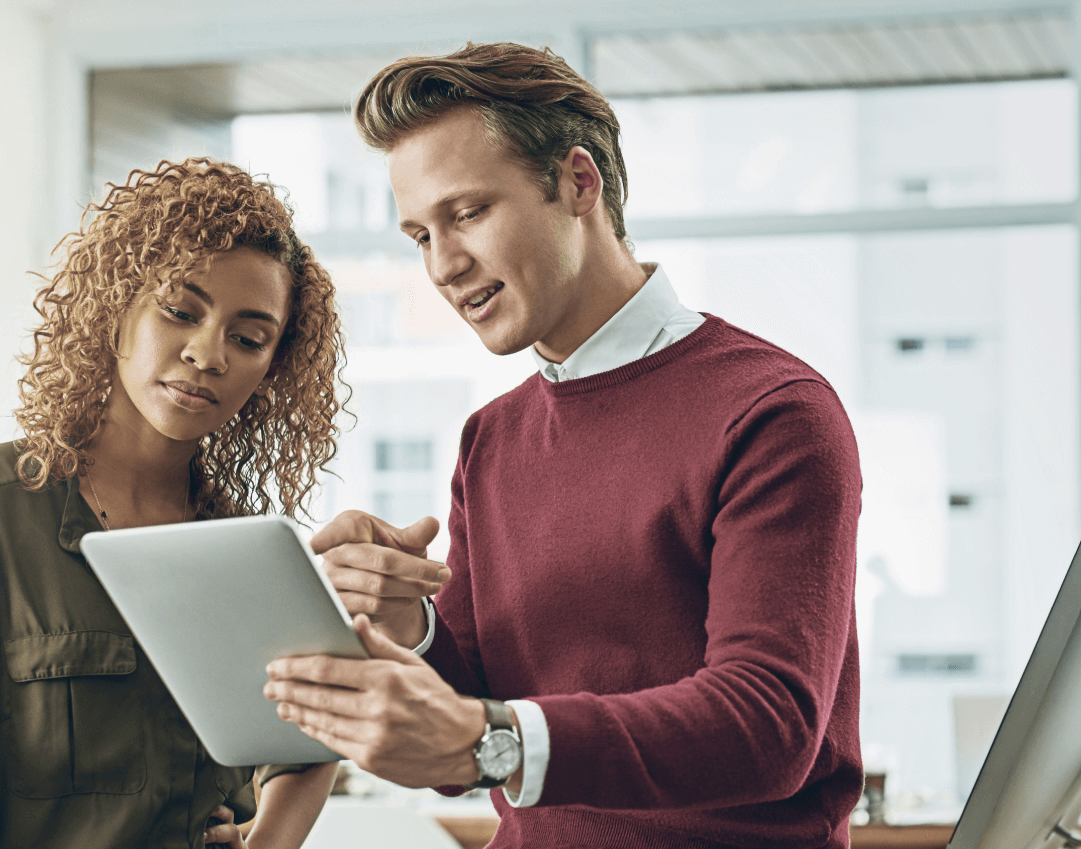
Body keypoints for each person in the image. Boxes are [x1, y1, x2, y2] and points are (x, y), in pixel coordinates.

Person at [260, 43, 864, 848]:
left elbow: (769, 722)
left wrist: (490, 737)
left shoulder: (770, 411)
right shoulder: (492, 438)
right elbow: (466, 738)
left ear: (580, 182)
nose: (443, 264)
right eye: (419, 234)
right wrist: (411, 626)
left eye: (468, 212)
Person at [0, 159, 345, 849]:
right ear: (116, 305)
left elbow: (310, 732)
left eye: (248, 338)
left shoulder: (243, 545)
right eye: (181, 311)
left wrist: (268, 839)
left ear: (272, 368)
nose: (207, 354)